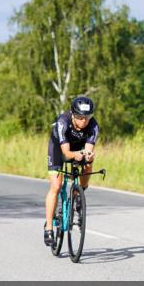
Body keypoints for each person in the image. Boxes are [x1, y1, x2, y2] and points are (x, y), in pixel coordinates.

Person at [44, 96, 100, 246]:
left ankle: (79, 194)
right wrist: (76, 155)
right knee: (56, 186)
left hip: (77, 148)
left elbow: (88, 149)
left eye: (87, 117)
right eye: (80, 117)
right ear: (73, 114)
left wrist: (87, 156)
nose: (84, 121)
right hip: (59, 148)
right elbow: (66, 154)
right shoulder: (63, 122)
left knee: (88, 162)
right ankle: (49, 227)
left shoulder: (93, 126)